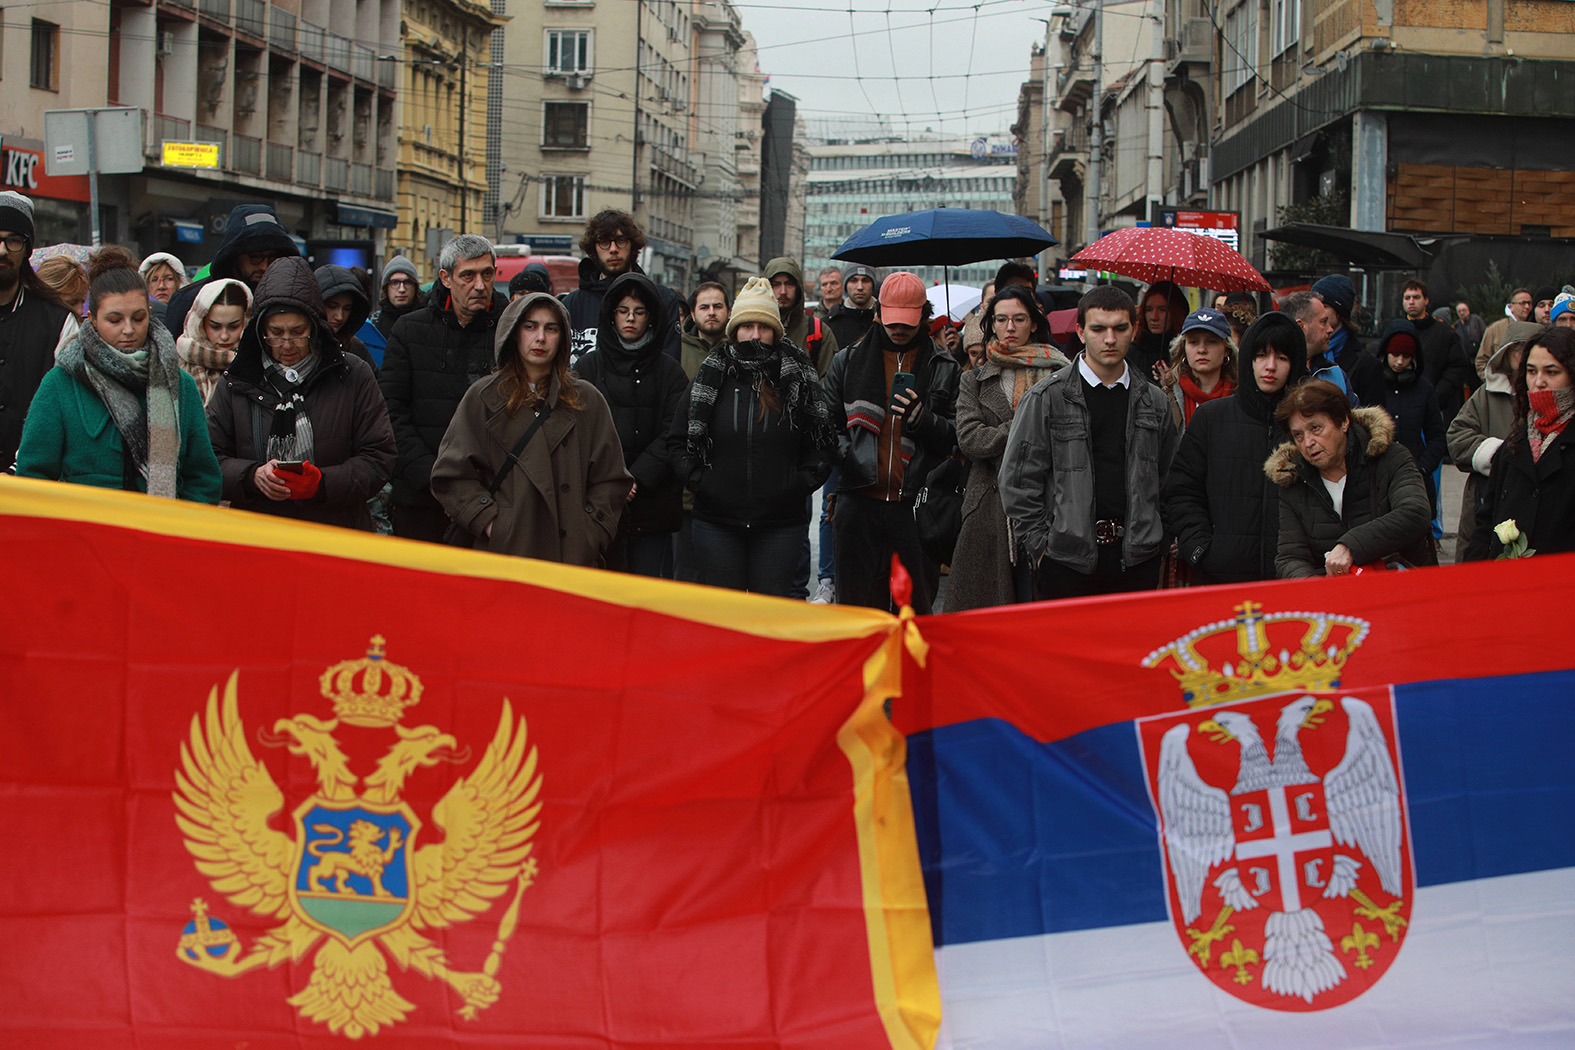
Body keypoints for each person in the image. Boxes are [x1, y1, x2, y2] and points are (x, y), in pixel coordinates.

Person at [1000, 285, 1178, 600]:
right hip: (1066, 562)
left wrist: (1158, 541)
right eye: (1098, 328)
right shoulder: (1046, 398)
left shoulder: (1154, 402)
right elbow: (1017, 480)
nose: (1109, 339)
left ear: (1133, 330)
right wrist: (1041, 547)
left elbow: (1169, 479)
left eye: (1120, 328)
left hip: (1137, 561)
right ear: (1081, 331)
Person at [431, 293, 629, 565]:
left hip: (571, 555)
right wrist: (493, 524)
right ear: (514, 333)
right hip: (506, 554)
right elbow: (452, 475)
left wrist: (590, 531)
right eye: (530, 326)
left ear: (563, 337)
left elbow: (611, 479)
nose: (540, 338)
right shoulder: (483, 398)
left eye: (551, 328)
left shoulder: (587, 401)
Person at [669, 276, 836, 595]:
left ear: (776, 331)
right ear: (734, 332)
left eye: (764, 327)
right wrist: (703, 484)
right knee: (725, 621)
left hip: (780, 525)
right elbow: (678, 441)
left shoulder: (797, 377)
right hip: (716, 523)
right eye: (747, 326)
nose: (755, 335)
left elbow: (822, 444)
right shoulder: (711, 374)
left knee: (768, 620)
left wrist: (794, 485)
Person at [15, 247, 220, 502]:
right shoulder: (60, 385)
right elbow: (33, 478)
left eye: (138, 318)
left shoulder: (181, 386)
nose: (128, 330)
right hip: (85, 534)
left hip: (160, 532)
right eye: (114, 320)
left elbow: (203, 478)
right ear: (91, 319)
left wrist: (178, 528)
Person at [205, 257, 395, 530]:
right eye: (276, 333)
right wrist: (252, 476)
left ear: (315, 328)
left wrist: (321, 483)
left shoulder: (353, 374)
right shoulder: (237, 380)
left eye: (297, 332)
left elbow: (379, 457)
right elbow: (209, 457)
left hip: (336, 533)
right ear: (260, 332)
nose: (286, 344)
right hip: (258, 534)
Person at [823, 270, 957, 611]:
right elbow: (825, 425)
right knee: (859, 614)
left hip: (916, 507)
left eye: (908, 322)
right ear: (878, 313)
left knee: (915, 615)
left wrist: (924, 420)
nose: (898, 329)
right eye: (892, 320)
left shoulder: (943, 366)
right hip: (858, 501)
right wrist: (849, 456)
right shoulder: (847, 360)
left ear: (924, 317)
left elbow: (959, 435)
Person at [943, 286, 1069, 612]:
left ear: (1034, 323)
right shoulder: (975, 380)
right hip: (988, 507)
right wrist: (1023, 425)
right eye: (1001, 319)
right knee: (984, 611)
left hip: (1049, 502)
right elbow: (970, 439)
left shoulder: (1060, 374)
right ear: (992, 325)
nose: (1010, 327)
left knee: (1041, 607)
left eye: (1018, 319)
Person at [1163, 311, 1308, 585]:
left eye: (1282, 358)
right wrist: (1200, 549)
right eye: (1261, 356)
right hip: (1219, 578)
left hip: (1291, 578)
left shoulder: (1309, 423)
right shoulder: (1212, 417)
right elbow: (1182, 491)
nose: (1270, 367)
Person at [378, 234, 506, 542]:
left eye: (487, 274)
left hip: (493, 498)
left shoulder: (509, 331)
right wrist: (434, 480)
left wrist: (474, 491)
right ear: (446, 278)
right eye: (468, 275)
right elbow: (391, 412)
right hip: (421, 498)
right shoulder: (410, 330)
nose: (479, 285)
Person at [575, 273, 689, 578]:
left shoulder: (670, 372)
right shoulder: (588, 367)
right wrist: (612, 478)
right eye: (623, 311)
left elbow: (675, 429)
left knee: (646, 593)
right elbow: (577, 429)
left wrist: (636, 477)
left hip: (653, 503)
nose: (630, 319)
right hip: (597, 501)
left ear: (650, 318)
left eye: (639, 312)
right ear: (611, 315)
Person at [1265, 379, 1432, 577]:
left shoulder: (1390, 457)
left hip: (1404, 586)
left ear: (1344, 421)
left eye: (1316, 428)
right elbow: (1290, 557)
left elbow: (1415, 512)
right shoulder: (1293, 480)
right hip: (1335, 598)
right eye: (1298, 435)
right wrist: (1318, 588)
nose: (1308, 442)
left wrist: (1351, 546)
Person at [1465, 326, 1575, 560]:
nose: (1539, 382)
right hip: (1506, 586)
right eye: (1531, 371)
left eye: (1552, 372)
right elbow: (1486, 523)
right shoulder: (1515, 443)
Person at [0, 191, 80, 471]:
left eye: (13, 240)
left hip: (32, 485)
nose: (1, 250)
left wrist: (20, 468)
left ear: (27, 248)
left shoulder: (59, 322)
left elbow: (64, 407)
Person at [1448, 320, 1537, 561]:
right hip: (1485, 499)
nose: (1522, 357)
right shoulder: (1486, 395)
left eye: (1529, 349)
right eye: (1517, 350)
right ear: (1506, 354)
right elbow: (1456, 438)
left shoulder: (1549, 395)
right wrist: (1499, 454)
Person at [561, 209, 683, 363]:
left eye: (621, 240)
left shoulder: (662, 300)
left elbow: (669, 369)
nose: (613, 249)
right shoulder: (572, 305)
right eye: (604, 242)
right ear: (593, 248)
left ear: (632, 245)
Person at [163, 204, 298, 338]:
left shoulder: (292, 300)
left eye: (272, 258)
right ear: (236, 256)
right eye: (255, 258)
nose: (264, 266)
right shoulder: (190, 300)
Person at [1374, 319, 1445, 529]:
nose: (1399, 362)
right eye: (1395, 355)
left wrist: (1422, 467)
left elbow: (1438, 437)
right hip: (1378, 478)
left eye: (1405, 356)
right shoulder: (1374, 383)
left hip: (1416, 478)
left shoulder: (1425, 389)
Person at [1401, 279, 1470, 421]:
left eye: (1416, 297)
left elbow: (1458, 367)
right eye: (1407, 298)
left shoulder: (1445, 333)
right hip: (1402, 406)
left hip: (1437, 410)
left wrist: (1436, 396)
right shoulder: (1397, 331)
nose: (1411, 302)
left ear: (1426, 300)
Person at [1309, 275, 1386, 401]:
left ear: (1339, 312)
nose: (1317, 311)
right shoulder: (1307, 354)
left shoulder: (1367, 366)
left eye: (1324, 305)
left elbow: (1373, 418)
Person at [1158, 308, 1237, 431]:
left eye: (1211, 342)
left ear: (1226, 350)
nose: (1202, 350)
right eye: (1194, 342)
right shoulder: (1165, 400)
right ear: (1184, 349)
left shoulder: (1241, 397)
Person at [175, 278, 252, 404]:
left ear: (246, 322)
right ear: (200, 324)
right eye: (215, 327)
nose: (224, 336)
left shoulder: (258, 363)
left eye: (233, 327)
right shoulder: (178, 363)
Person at [765, 257, 839, 376]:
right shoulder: (752, 329)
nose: (783, 291)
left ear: (798, 288)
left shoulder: (818, 332)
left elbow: (829, 383)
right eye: (776, 284)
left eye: (789, 284)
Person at [315, 265, 376, 368]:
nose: (340, 316)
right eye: (332, 306)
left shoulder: (356, 348)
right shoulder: (297, 345)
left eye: (347, 308)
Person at [1129, 281, 1188, 382]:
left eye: (1162, 310)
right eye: (1149, 309)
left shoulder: (1185, 354)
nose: (1154, 317)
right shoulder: (1131, 353)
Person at [1475, 287, 1533, 379]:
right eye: (1522, 303)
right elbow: (1481, 361)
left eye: (1529, 303)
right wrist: (1493, 382)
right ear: (1511, 306)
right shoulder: (1495, 329)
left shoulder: (1534, 329)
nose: (1527, 307)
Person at [823, 263, 879, 350]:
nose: (860, 287)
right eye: (853, 280)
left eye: (865, 280)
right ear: (845, 285)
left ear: (873, 285)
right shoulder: (829, 324)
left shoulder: (884, 321)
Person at [680, 281, 730, 378]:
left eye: (717, 307)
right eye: (704, 307)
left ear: (729, 312)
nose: (711, 312)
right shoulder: (678, 349)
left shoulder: (738, 348)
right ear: (693, 315)